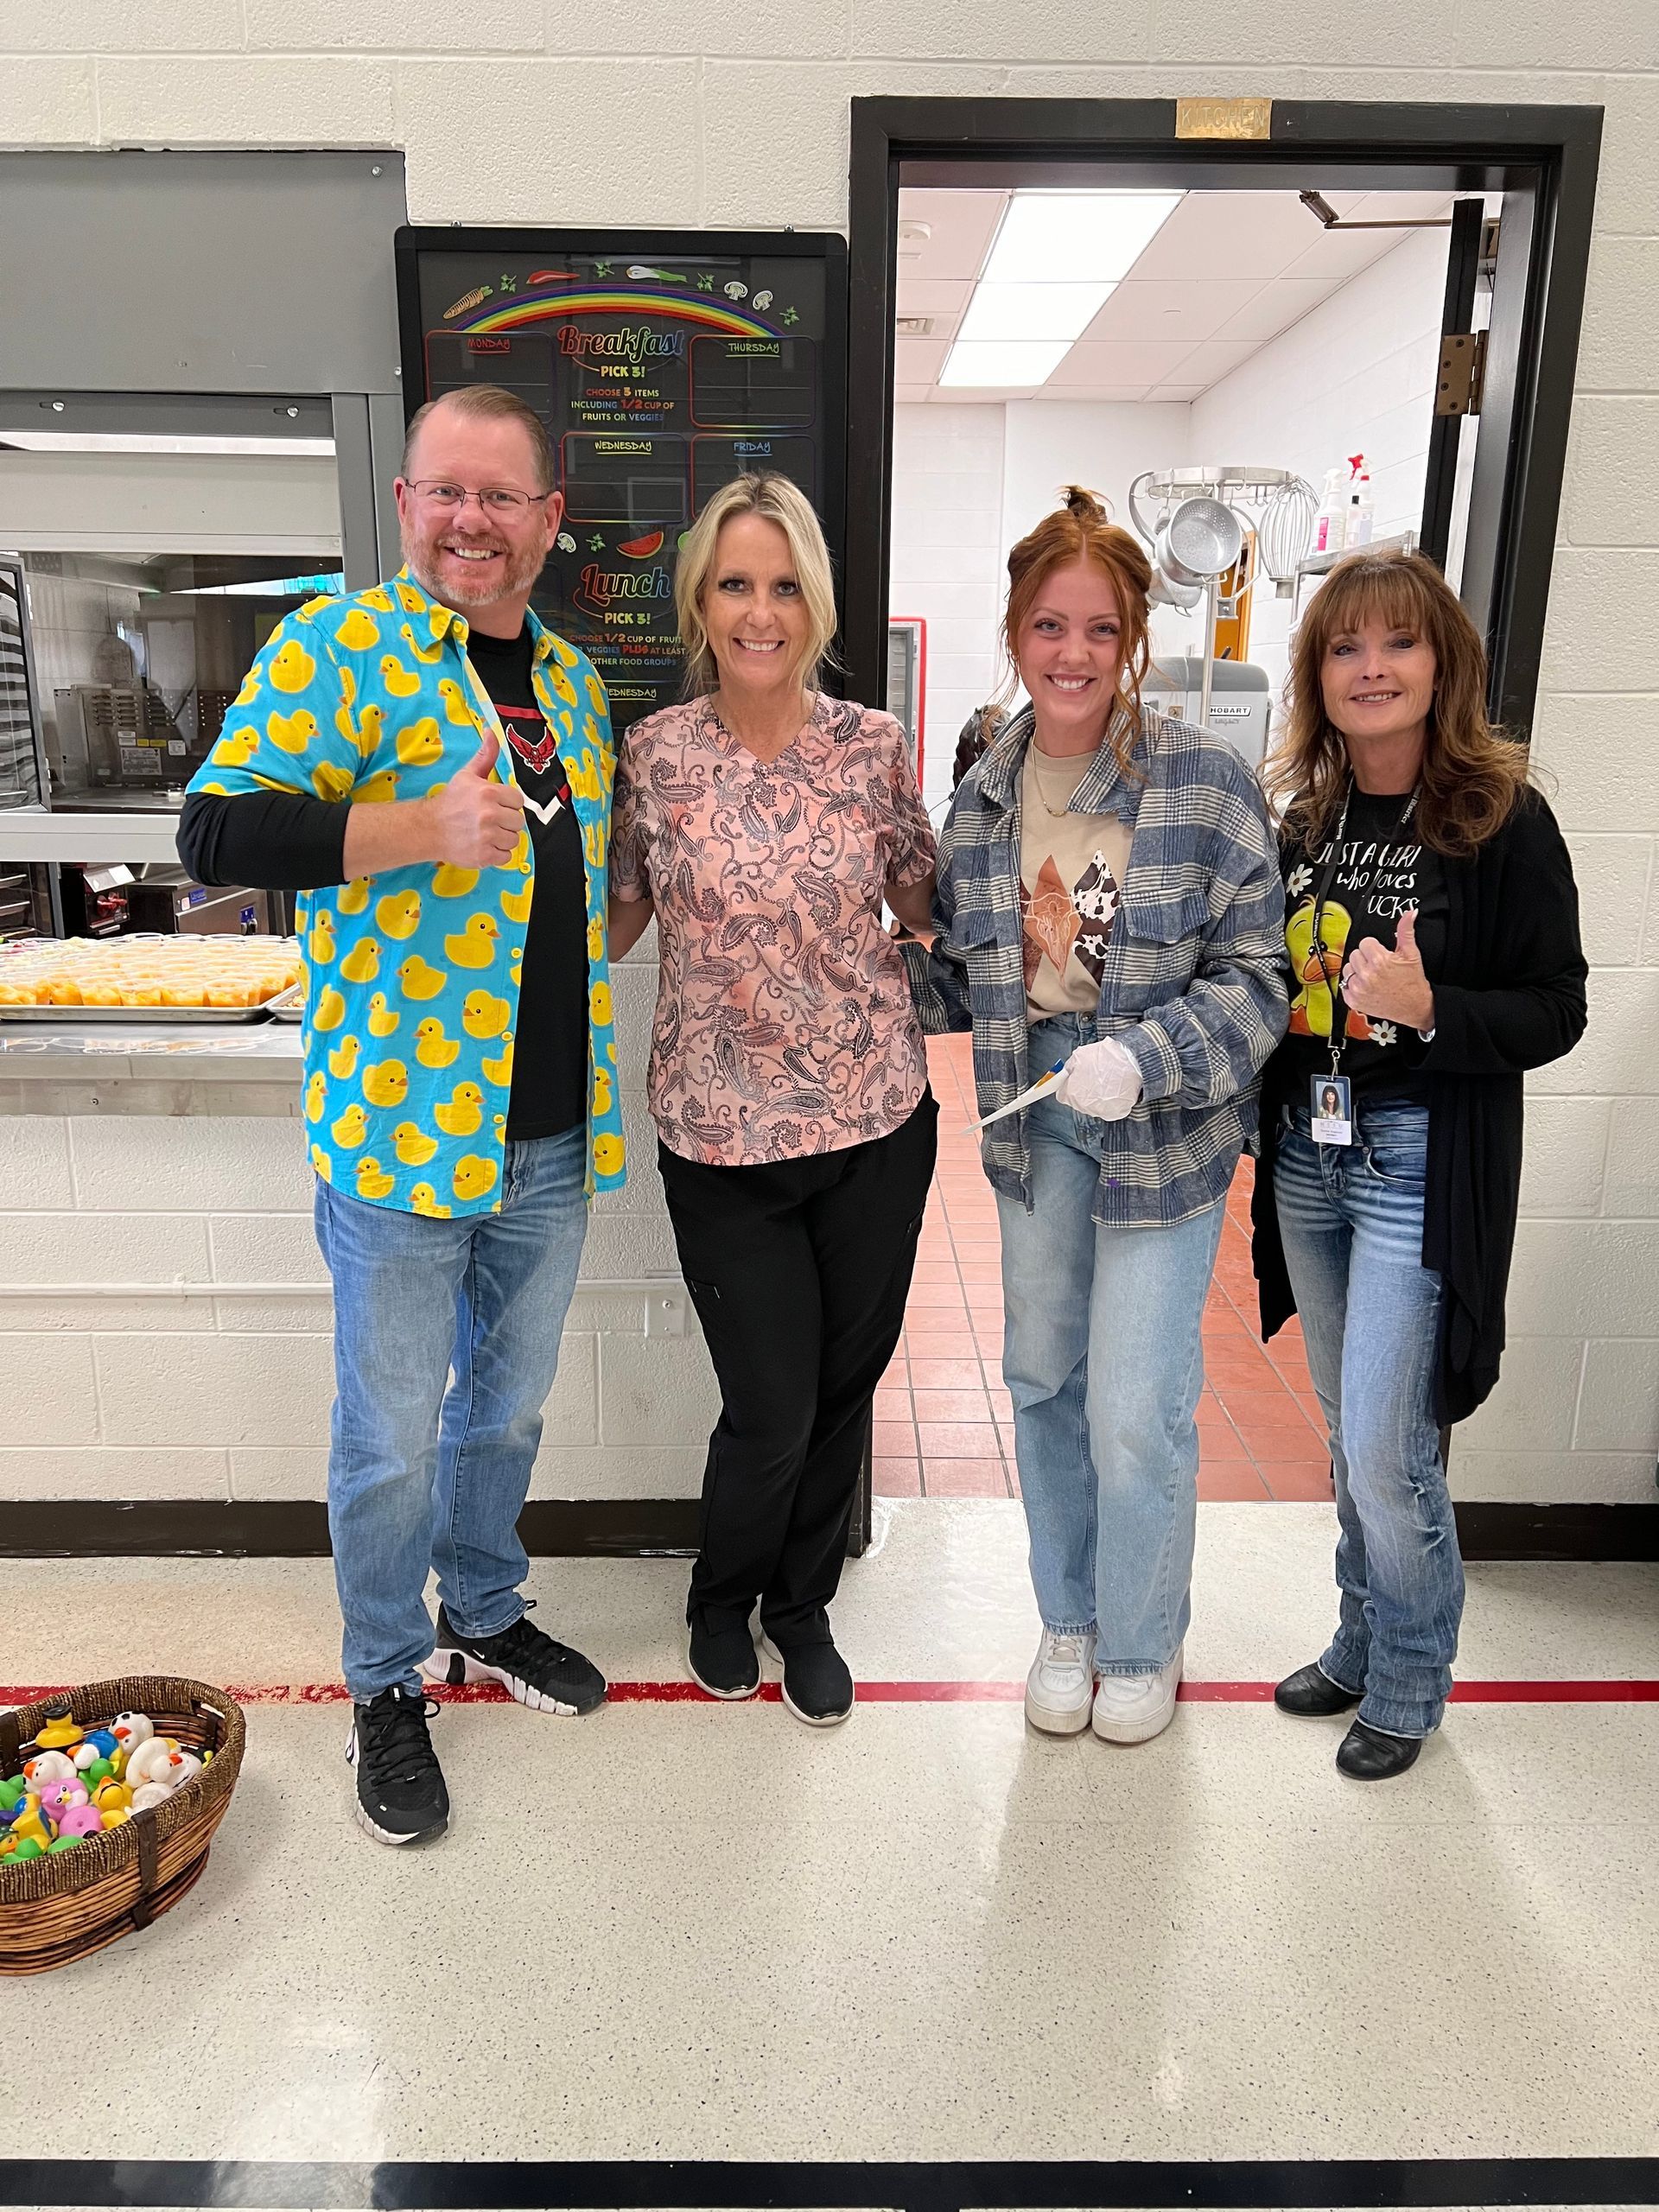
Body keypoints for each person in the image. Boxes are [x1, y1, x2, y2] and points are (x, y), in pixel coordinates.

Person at [178, 384, 628, 1846]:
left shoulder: (570, 686)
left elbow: (565, 903)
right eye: (447, 492)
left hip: (550, 1137)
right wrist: (404, 833)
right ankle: (385, 1676)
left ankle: (483, 1611)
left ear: (549, 522)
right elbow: (215, 830)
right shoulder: (336, 651)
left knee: (504, 1409)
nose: (471, 523)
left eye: (503, 498)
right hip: (400, 1138)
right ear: (404, 504)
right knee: (386, 1438)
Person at [906, 486, 1287, 1746]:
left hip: (1163, 1131)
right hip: (1035, 1121)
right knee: (1043, 1381)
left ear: (1133, 640)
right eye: (1048, 627)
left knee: (1136, 1404)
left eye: (1101, 632)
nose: (1073, 656)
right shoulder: (980, 803)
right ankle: (1065, 1620)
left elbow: (1260, 982)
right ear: (1014, 633)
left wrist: (1153, 1051)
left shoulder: (1204, 783)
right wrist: (846, 954)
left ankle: (1139, 1637)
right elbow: (963, 980)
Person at [607, 473, 938, 1727]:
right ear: (701, 599)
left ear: (816, 601)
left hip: (875, 1123)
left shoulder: (874, 748)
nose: (761, 611)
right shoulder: (656, 755)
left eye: (785, 584)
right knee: (769, 1408)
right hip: (719, 1136)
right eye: (737, 583)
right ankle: (719, 1594)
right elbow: (620, 925)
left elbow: (919, 900)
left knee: (842, 1397)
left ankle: (801, 1609)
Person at [1251, 548, 1586, 1781]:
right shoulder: (1306, 818)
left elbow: (1560, 1007)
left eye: (1397, 643)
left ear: (1441, 663)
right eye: (1345, 648)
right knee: (1351, 1434)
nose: (1371, 668)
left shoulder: (1501, 818)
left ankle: (1407, 1677)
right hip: (1308, 1157)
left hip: (1416, 1159)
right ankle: (1357, 1635)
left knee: (1392, 1448)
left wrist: (1432, 1005)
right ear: (1319, 674)